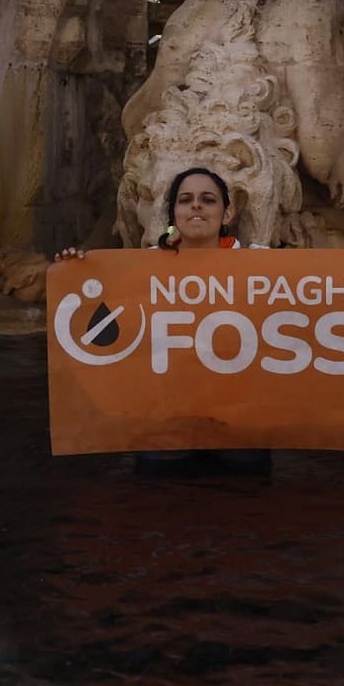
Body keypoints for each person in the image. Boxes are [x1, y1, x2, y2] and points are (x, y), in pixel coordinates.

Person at [57, 166, 274, 479]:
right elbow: (109, 327)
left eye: (207, 199)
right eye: (185, 200)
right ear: (174, 215)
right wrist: (76, 274)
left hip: (239, 425)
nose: (196, 205)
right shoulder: (145, 270)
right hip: (168, 427)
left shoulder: (262, 266)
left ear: (227, 215)